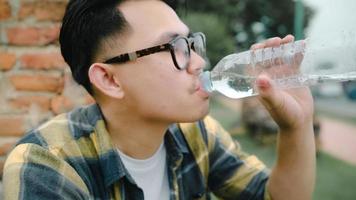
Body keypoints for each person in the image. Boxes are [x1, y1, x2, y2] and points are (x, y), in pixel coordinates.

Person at [3, 0, 316, 199]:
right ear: (110, 79)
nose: (199, 62)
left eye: (192, 44)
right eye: (175, 47)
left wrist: (296, 126)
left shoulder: (197, 134)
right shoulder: (46, 166)